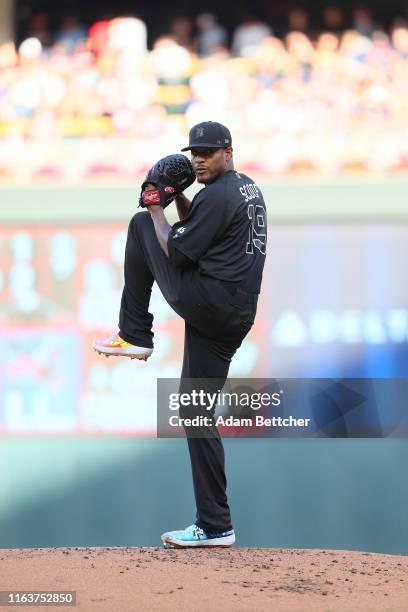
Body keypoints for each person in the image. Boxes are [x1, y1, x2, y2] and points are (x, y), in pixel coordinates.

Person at [93, 121, 267, 547]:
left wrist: (156, 205)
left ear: (229, 151)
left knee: (139, 225)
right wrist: (181, 198)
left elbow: (175, 248)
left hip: (209, 303)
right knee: (194, 412)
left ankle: (134, 333)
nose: (199, 160)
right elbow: (201, 231)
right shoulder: (244, 187)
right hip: (233, 315)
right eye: (194, 153)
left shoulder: (220, 193)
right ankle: (215, 526)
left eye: (208, 152)